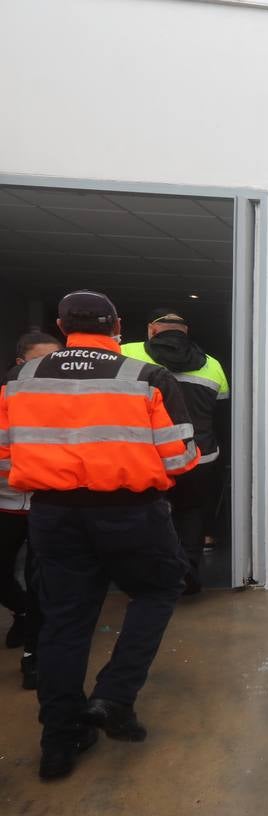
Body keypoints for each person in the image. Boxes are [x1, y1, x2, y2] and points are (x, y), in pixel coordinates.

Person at [0, 291, 199, 780]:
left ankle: (59, 741)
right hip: (130, 511)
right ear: (117, 325)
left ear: (63, 325)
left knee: (64, 621)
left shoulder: (21, 380)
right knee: (158, 589)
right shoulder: (146, 378)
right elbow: (179, 459)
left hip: (53, 514)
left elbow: (6, 460)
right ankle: (113, 697)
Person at [122, 309, 229, 594]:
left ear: (152, 330)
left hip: (146, 456)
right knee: (192, 512)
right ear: (185, 332)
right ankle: (188, 571)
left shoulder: (125, 354)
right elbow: (221, 413)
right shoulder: (212, 365)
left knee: (143, 513)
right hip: (199, 456)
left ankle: (146, 577)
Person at [0, 331, 62, 689]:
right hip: (6, 504)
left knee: (47, 587)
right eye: (41, 361)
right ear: (21, 364)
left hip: (49, 507)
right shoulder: (7, 397)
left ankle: (34, 658)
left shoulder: (71, 400)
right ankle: (21, 610)